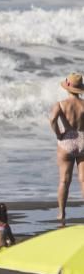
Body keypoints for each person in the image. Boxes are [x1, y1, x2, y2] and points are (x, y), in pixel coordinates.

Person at [48, 72, 84, 225]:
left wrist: (58, 133)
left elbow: (52, 119)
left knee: (64, 180)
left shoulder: (61, 104)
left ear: (67, 87)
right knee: (83, 179)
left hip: (67, 141)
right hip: (83, 140)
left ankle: (61, 213)